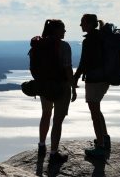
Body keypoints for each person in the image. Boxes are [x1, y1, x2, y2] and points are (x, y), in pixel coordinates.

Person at [37, 19, 76, 164]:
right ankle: (53, 153)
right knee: (58, 120)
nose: (65, 31)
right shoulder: (64, 46)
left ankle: (42, 146)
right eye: (63, 29)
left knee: (45, 114)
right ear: (56, 31)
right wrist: (73, 87)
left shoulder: (41, 44)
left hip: (45, 86)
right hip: (61, 86)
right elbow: (67, 68)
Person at [73, 14, 111, 158]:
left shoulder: (90, 40)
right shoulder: (101, 37)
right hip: (104, 78)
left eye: (82, 22)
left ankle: (100, 146)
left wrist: (75, 77)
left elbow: (84, 61)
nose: (80, 25)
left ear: (89, 24)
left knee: (94, 112)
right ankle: (104, 138)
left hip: (94, 79)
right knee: (97, 109)